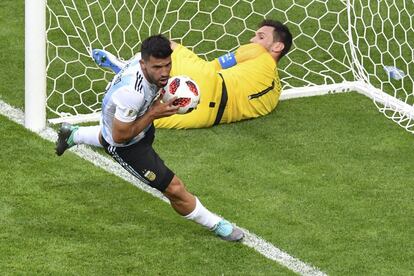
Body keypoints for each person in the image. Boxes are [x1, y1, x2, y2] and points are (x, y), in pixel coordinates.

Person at [56, 34, 244, 242]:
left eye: (167, 65)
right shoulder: (131, 95)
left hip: (137, 123)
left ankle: (73, 134)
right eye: (157, 67)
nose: (164, 73)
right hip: (126, 145)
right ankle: (216, 224)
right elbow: (120, 136)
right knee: (173, 188)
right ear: (143, 64)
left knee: (108, 133)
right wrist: (153, 113)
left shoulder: (143, 64)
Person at [95, 19, 292, 129]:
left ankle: (131, 68)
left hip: (209, 81)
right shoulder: (274, 97)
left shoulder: (256, 52)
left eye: (260, 36)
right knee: (135, 123)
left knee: (167, 46)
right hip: (206, 117)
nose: (252, 39)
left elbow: (214, 66)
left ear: (277, 46)